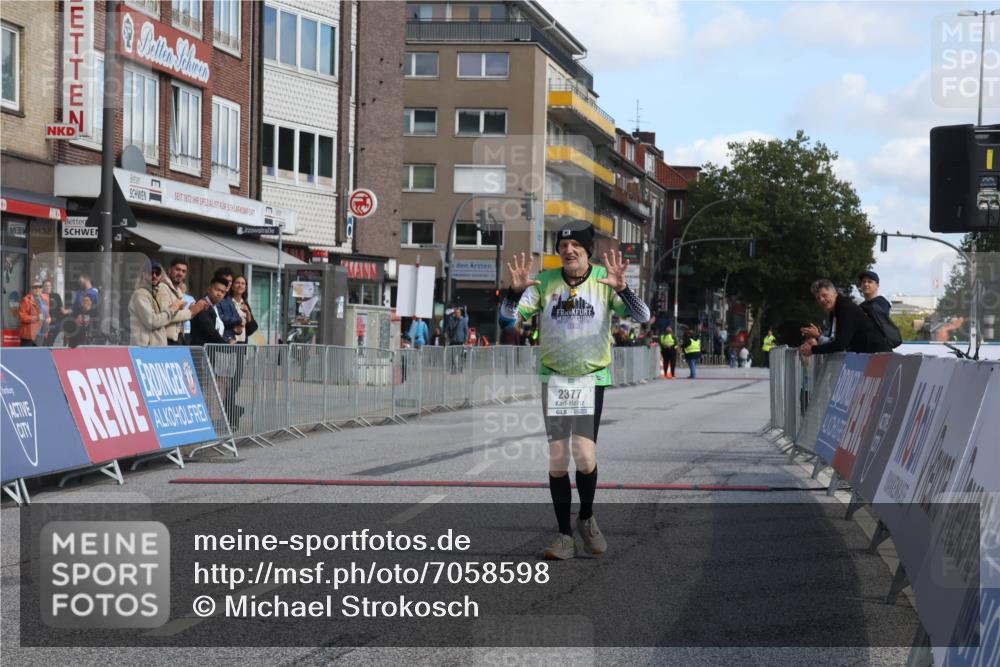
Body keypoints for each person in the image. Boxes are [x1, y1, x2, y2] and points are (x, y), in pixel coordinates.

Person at [501, 221, 651, 560]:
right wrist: (513, 294)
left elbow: (644, 316)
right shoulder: (545, 281)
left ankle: (586, 517)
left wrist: (625, 290)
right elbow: (507, 322)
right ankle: (564, 536)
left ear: (587, 250)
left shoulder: (603, 279)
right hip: (554, 378)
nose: (568, 250)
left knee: (584, 457)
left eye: (575, 245)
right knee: (558, 461)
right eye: (563, 245)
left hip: (590, 378)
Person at [800, 279, 892, 358]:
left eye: (825, 295)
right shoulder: (836, 311)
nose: (822, 300)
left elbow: (840, 344)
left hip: (879, 359)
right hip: (869, 358)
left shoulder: (845, 308)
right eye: (818, 298)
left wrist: (813, 350)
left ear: (835, 293)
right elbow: (837, 341)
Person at [128, 261, 193, 346]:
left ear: (161, 275)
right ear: (144, 274)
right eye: (151, 272)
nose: (154, 275)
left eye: (157, 273)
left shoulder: (154, 293)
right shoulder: (140, 294)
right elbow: (152, 322)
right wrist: (173, 308)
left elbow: (162, 319)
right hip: (145, 349)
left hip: (157, 348)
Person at [157, 258, 197, 345]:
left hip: (178, 338)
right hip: (165, 340)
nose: (180, 273)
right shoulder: (163, 288)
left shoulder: (177, 290)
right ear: (169, 270)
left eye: (183, 271)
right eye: (177, 269)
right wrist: (191, 312)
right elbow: (165, 316)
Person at [226, 275, 258, 344]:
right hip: (229, 342)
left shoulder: (245, 303)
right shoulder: (226, 302)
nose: (240, 285)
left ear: (245, 287)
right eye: (237, 283)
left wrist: (248, 314)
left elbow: (251, 329)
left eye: (243, 283)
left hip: (242, 343)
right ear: (232, 286)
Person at [17, 282, 44, 346]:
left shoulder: (43, 300)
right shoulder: (26, 300)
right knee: (26, 355)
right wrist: (37, 317)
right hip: (28, 336)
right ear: (31, 289)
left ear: (42, 289)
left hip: (39, 336)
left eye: (40, 287)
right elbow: (22, 317)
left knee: (38, 356)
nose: (37, 289)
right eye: (35, 287)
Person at [42, 280, 64, 346]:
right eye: (46, 285)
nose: (47, 287)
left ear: (51, 287)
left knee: (52, 344)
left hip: (54, 324)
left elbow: (61, 310)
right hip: (43, 324)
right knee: (43, 344)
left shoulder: (56, 296)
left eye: (49, 285)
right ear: (43, 287)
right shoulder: (40, 296)